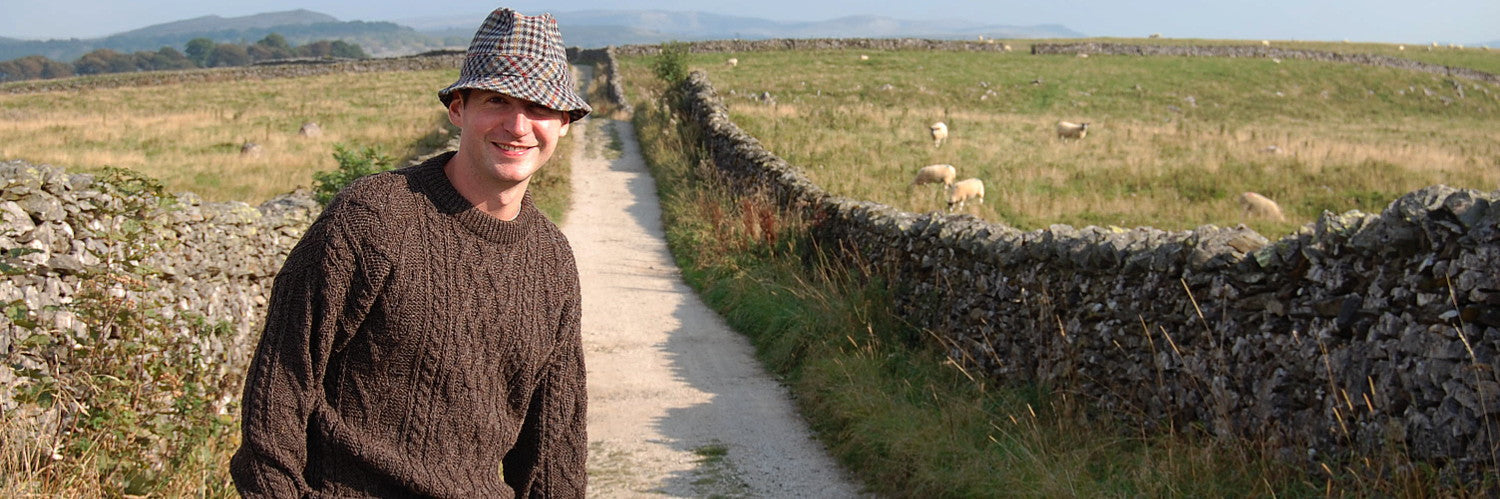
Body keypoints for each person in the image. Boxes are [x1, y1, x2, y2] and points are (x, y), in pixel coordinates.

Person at [230, 7, 590, 497]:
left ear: (564, 122)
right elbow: (278, 397)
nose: (518, 125)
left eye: (540, 108)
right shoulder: (372, 218)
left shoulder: (553, 261)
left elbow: (555, 449)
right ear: (458, 108)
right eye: (497, 100)